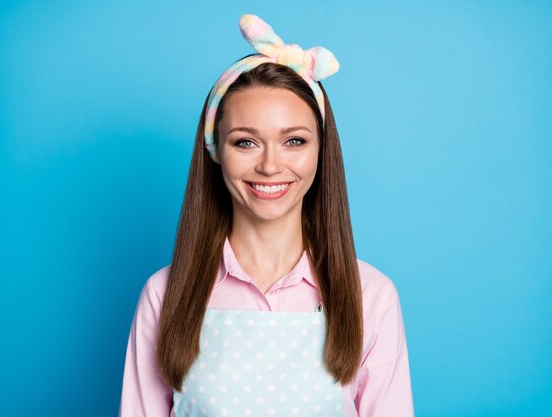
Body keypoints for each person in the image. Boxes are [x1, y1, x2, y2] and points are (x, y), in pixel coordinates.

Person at [118, 14, 414, 417]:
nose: (271, 166)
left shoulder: (372, 297)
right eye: (246, 142)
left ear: (321, 150)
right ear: (215, 150)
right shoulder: (165, 294)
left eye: (294, 140)